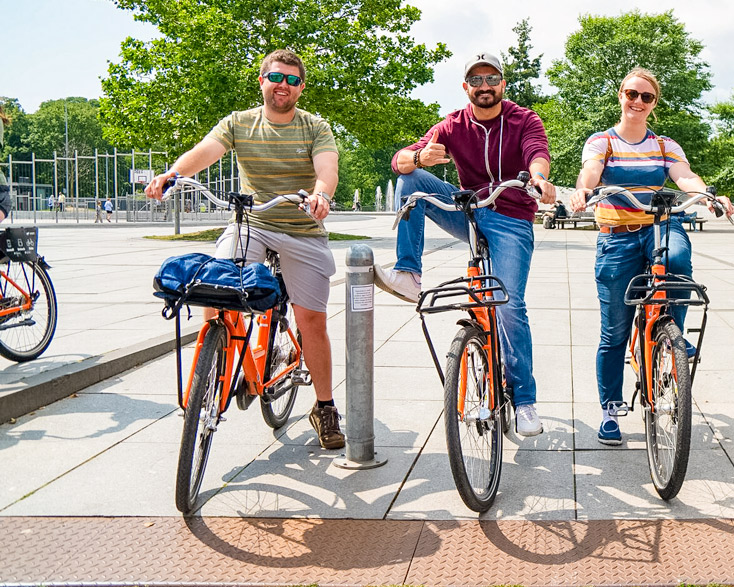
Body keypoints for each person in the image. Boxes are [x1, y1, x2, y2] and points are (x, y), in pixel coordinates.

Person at [145, 49, 345, 449]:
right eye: (276, 77)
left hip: (302, 227)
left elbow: (328, 169)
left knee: (311, 321)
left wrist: (321, 195)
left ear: (301, 87)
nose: (283, 85)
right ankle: (217, 361)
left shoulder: (315, 127)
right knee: (216, 289)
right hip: (252, 223)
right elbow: (205, 151)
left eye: (292, 80)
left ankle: (325, 407)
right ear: (262, 80)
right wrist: (172, 173)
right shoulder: (239, 122)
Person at [374, 52, 556, 437]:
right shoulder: (453, 124)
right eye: (476, 80)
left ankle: (524, 400)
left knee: (508, 304)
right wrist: (417, 156)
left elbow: (537, 153)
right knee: (412, 183)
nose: (485, 87)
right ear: (466, 87)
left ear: (503, 85)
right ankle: (408, 272)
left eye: (492, 79)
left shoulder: (523, 119)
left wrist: (539, 179)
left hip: (510, 219)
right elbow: (400, 161)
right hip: (470, 212)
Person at [569, 67, 734, 446]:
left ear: (654, 103)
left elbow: (684, 175)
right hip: (617, 236)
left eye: (646, 97)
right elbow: (590, 171)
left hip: (659, 225)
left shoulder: (664, 146)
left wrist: (708, 194)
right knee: (614, 332)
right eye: (631, 94)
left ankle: (672, 334)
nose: (637, 102)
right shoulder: (602, 142)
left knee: (677, 260)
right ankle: (610, 410)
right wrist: (583, 192)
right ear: (620, 96)